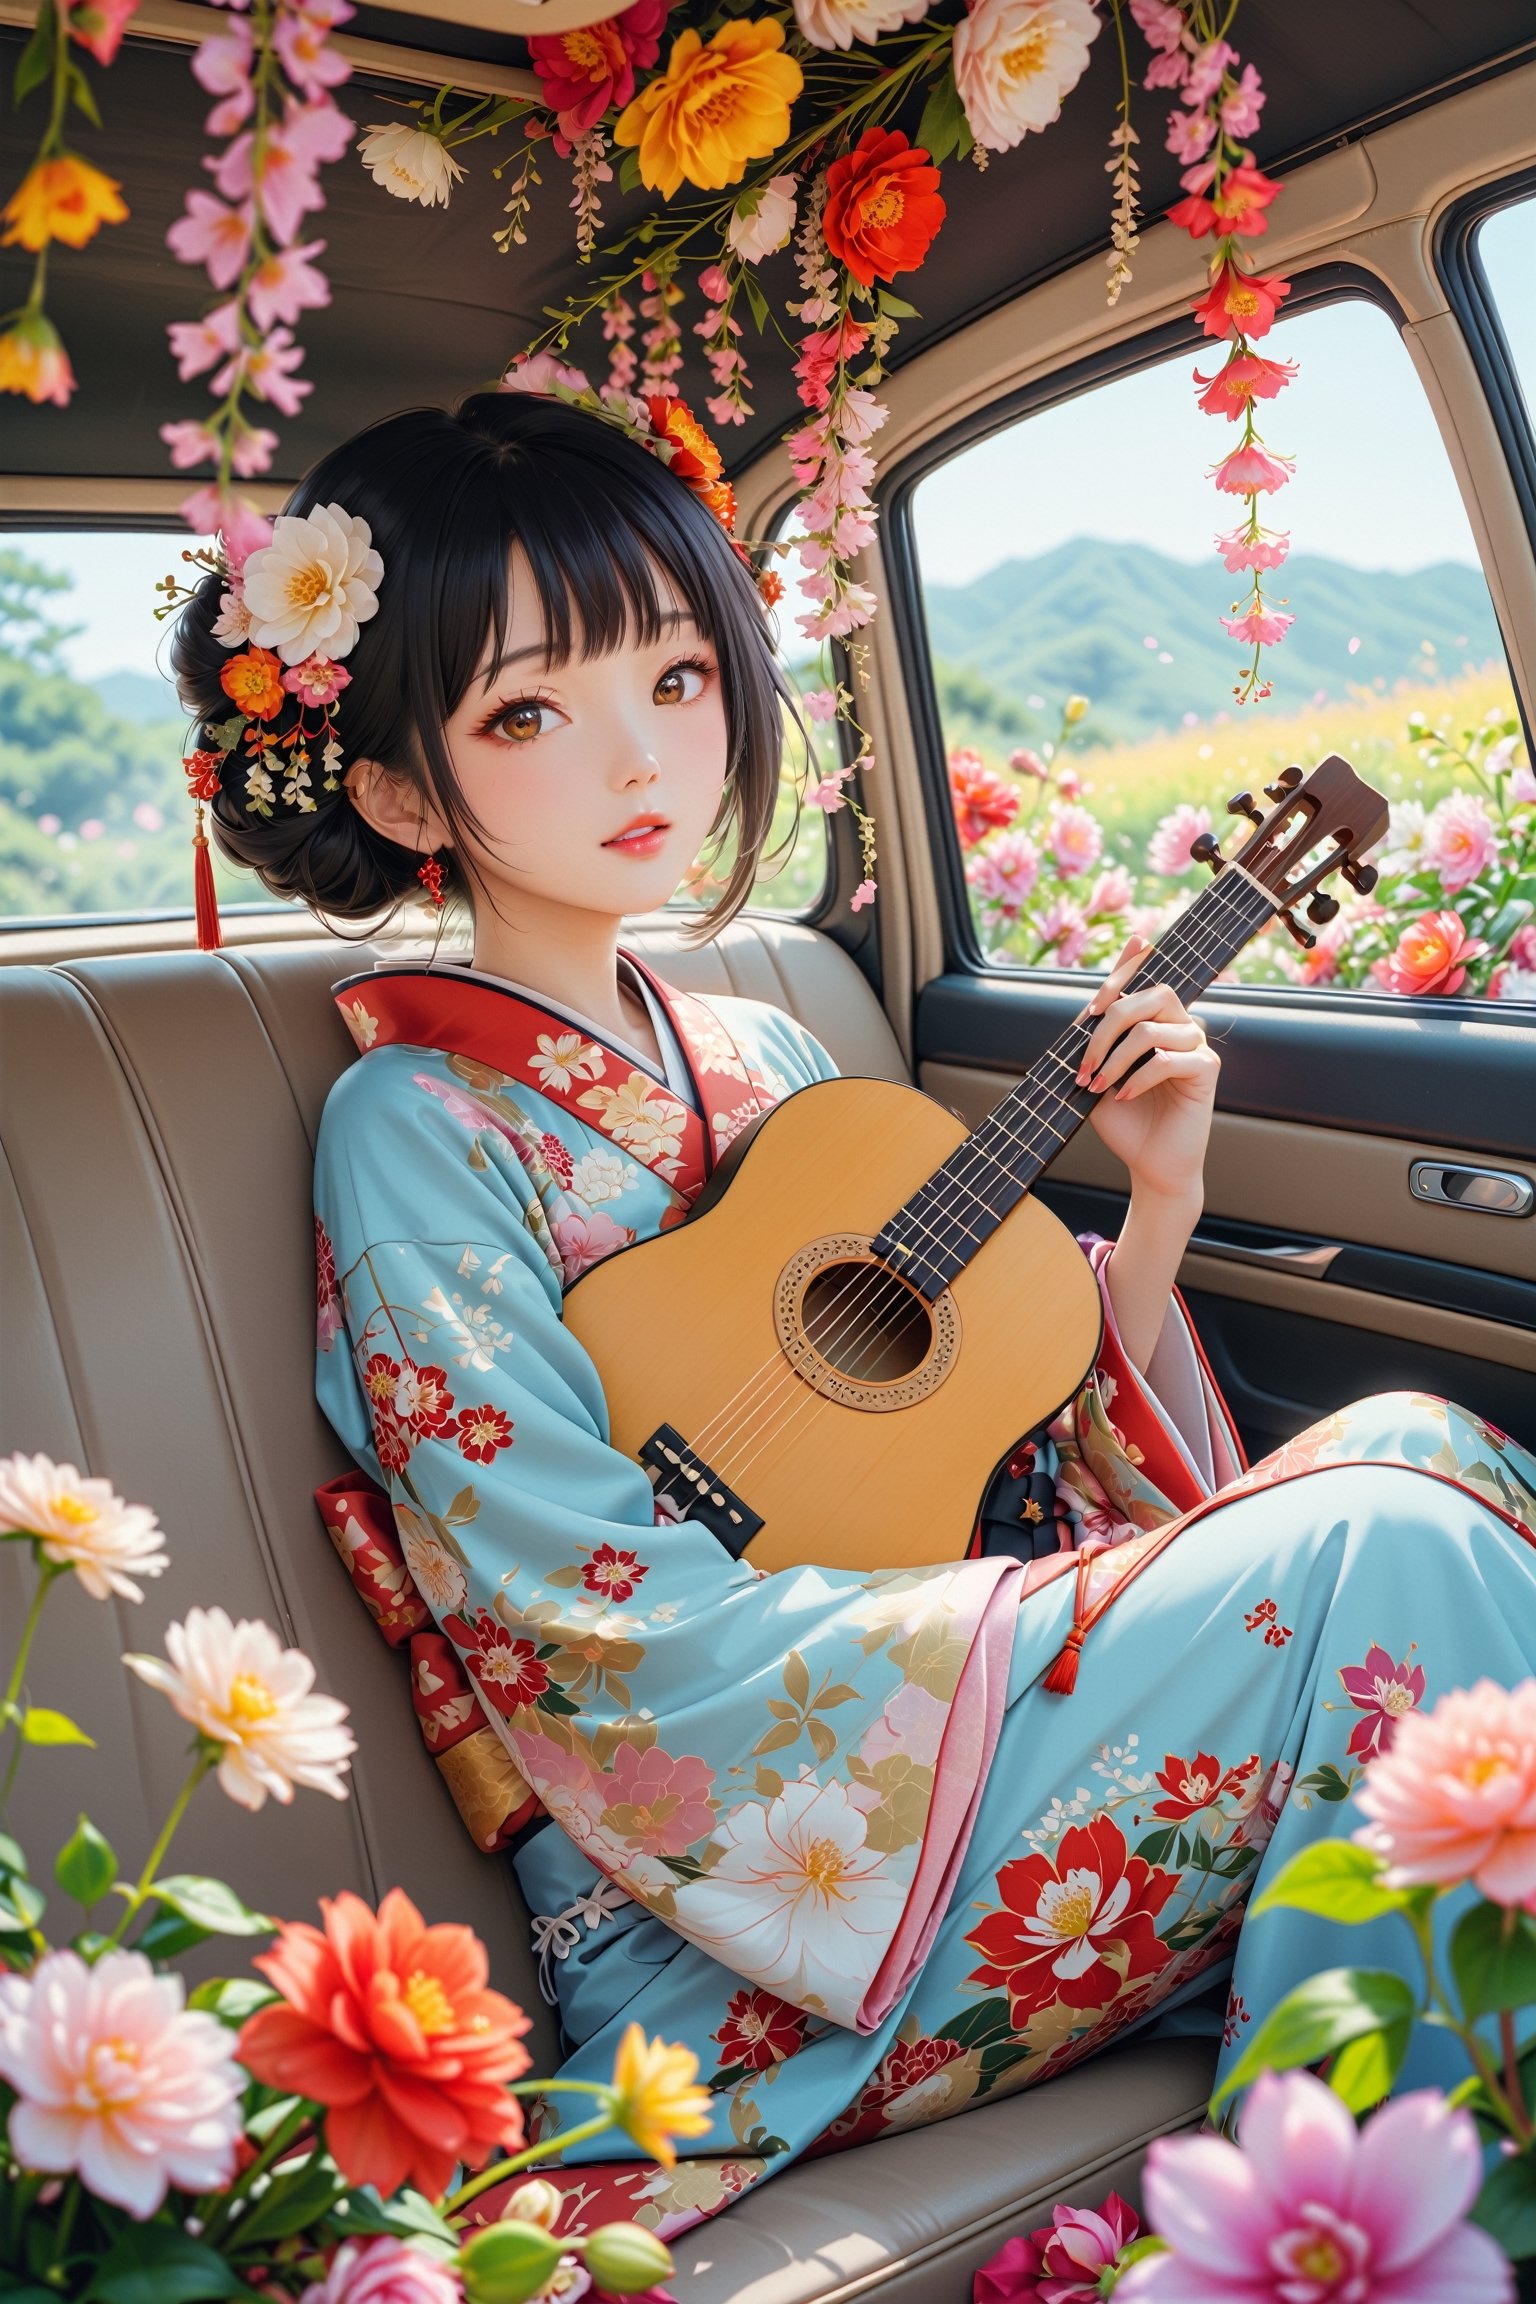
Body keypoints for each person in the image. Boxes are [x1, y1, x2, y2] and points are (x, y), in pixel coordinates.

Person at [173, 386, 1536, 2243]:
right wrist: (977, 1627)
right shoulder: (413, 1126)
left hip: (944, 1735)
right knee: (1386, 1531)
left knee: (1423, 1442)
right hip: (752, 1894)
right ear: (406, 790)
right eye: (526, 712)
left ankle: (1369, 2185)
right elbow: (581, 1617)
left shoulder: (767, 1049)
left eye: (673, 677)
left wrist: (1160, 1200)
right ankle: (1353, 2236)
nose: (636, 756)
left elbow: (1007, 1428)